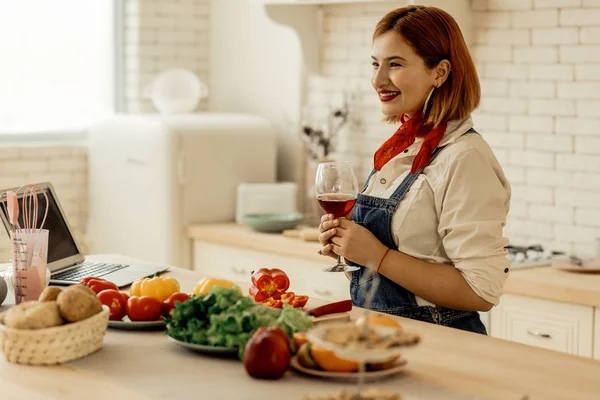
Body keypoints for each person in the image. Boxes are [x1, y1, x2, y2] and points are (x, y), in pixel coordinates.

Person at [317, 5, 511, 335]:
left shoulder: (464, 157)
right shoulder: (401, 147)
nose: (377, 80)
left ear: (440, 72)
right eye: (375, 63)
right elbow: (392, 272)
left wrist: (375, 254)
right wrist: (349, 245)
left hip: (440, 344)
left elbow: (481, 291)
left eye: (395, 64)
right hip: (378, 335)